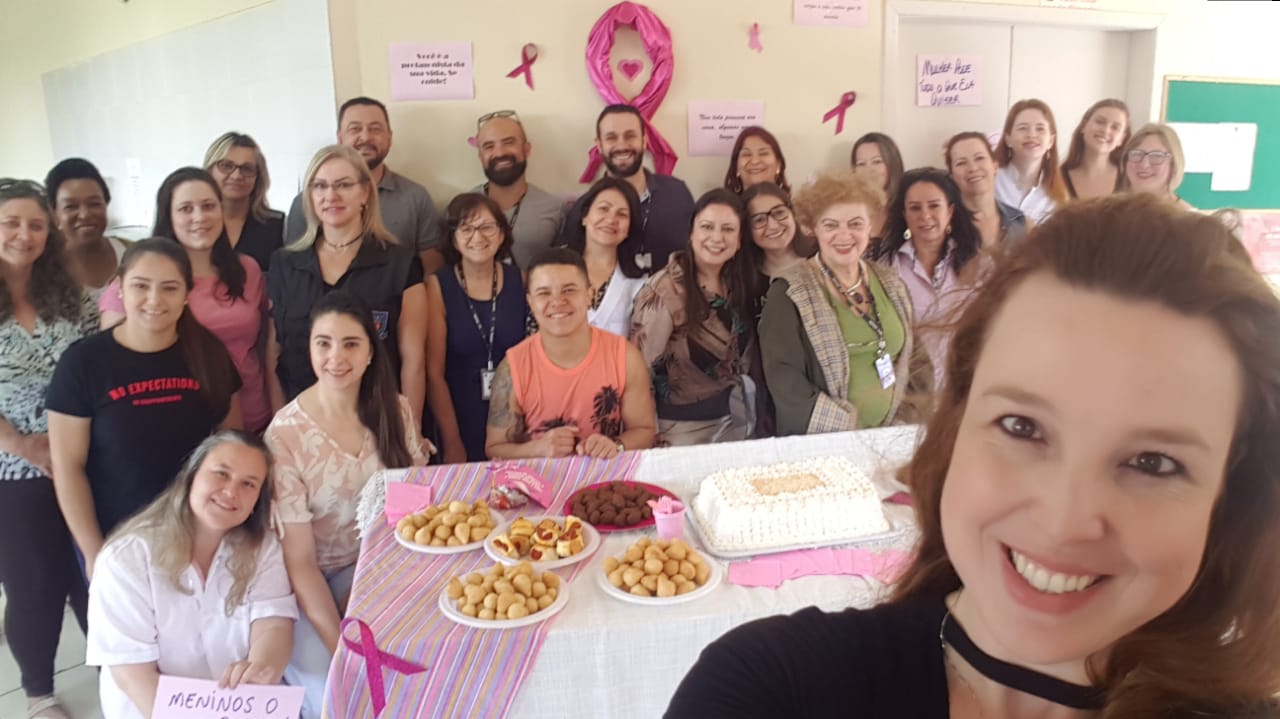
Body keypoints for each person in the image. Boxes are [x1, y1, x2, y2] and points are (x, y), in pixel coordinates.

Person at [666, 194, 1280, 719]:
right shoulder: (771, 691)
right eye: (1023, 427)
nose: (1063, 521)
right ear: (956, 428)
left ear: (1234, 496)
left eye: (1153, 463)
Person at [265, 290, 428, 719]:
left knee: (425, 662)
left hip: (380, 567)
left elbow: (412, 506)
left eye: (350, 343)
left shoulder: (396, 410)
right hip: (310, 584)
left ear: (371, 352)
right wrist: (344, 646)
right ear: (310, 348)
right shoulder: (285, 434)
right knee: (337, 691)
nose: (336, 357)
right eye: (324, 343)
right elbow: (300, 563)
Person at [47, 239, 242, 579]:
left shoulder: (209, 354)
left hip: (198, 535)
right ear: (119, 288)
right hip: (116, 537)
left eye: (169, 288)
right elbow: (68, 468)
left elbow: (233, 446)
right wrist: (94, 552)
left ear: (187, 293)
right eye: (140, 286)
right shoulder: (83, 363)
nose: (154, 299)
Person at [86, 431, 296, 719]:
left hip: (237, 709)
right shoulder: (125, 560)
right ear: (190, 477)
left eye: (248, 484)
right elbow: (134, 677)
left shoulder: (263, 547)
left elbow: (274, 624)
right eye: (221, 474)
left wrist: (261, 669)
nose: (231, 491)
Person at [0, 178, 96, 719]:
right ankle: (38, 692)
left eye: (35, 224)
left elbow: (96, 364)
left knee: (93, 572)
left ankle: (113, 669)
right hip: (11, 470)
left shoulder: (71, 295)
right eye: (11, 222)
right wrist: (21, 444)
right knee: (33, 584)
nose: (24, 234)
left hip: (81, 459)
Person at [100, 167, 273, 432]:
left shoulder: (247, 270)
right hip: (180, 424)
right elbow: (118, 366)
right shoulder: (140, 282)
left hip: (254, 417)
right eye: (185, 209)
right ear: (169, 216)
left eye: (208, 206)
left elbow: (266, 344)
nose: (199, 217)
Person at [759, 172, 931, 436]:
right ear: (813, 228)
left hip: (893, 436)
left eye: (855, 223)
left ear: (870, 227)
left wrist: (905, 421)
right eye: (830, 225)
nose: (844, 235)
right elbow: (784, 380)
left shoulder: (891, 283)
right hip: (826, 441)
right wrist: (851, 433)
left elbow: (917, 360)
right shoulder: (787, 292)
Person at [267, 144, 427, 426]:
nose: (331, 195)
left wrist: (408, 432)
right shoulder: (284, 264)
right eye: (320, 186)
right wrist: (281, 427)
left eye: (343, 185)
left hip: (377, 423)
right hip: (302, 425)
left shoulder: (400, 263)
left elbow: (412, 362)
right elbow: (272, 356)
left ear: (365, 192)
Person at [486, 249, 656, 459]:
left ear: (589, 295)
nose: (557, 301)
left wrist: (616, 445)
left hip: (608, 473)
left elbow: (644, 431)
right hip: (539, 477)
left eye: (569, 290)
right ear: (530, 301)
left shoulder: (625, 357)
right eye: (544, 293)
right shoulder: (512, 368)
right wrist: (538, 449)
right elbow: (495, 448)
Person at [629, 190, 762, 445]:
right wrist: (646, 432)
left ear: (739, 240)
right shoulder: (664, 290)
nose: (717, 238)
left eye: (728, 229)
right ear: (691, 233)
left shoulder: (737, 281)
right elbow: (639, 368)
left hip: (733, 416)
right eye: (707, 227)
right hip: (678, 428)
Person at [285, 97, 444, 274]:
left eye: (375, 129)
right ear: (340, 137)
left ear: (389, 137)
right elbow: (292, 269)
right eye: (355, 129)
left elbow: (432, 271)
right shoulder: (308, 202)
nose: (366, 137)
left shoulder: (415, 197)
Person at [425, 194, 528, 464]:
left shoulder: (521, 280)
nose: (477, 237)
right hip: (458, 413)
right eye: (466, 229)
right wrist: (452, 441)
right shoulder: (437, 286)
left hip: (514, 418)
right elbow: (434, 373)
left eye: (486, 227)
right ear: (453, 239)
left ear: (502, 234)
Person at [869, 168, 985, 389]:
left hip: (968, 386)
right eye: (915, 208)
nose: (925, 216)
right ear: (904, 214)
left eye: (934, 206)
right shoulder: (885, 268)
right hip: (912, 390)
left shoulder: (979, 264)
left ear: (950, 211)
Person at [561, 104, 695, 274]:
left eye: (630, 136)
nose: (622, 145)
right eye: (611, 137)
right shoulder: (584, 209)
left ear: (644, 141)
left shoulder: (678, 193)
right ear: (599, 145)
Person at [471, 110, 566, 270]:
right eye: (489, 146)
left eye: (509, 142)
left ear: (527, 149)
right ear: (480, 157)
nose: (500, 153)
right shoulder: (462, 209)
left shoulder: (554, 209)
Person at [561, 178, 647, 337]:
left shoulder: (642, 281)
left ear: (630, 228)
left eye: (622, 214)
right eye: (603, 209)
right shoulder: (553, 265)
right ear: (585, 217)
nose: (611, 220)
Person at [44, 158, 129, 300]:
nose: (85, 215)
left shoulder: (133, 254)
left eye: (94, 204)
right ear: (54, 214)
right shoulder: (42, 271)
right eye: (71, 206)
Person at [204, 131, 285, 272]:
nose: (236, 175)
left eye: (246, 169)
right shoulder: (194, 222)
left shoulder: (279, 227)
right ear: (209, 171)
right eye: (226, 166)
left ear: (258, 177)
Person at [945, 131, 1028, 249]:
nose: (973, 168)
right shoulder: (944, 224)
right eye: (961, 163)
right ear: (952, 176)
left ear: (995, 166)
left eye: (979, 158)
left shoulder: (1020, 222)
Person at [994, 99, 1069, 224]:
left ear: (1051, 141)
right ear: (1008, 139)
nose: (1031, 135)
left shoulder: (1059, 193)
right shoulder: (992, 179)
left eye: (1040, 129)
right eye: (1023, 128)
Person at [1060, 99, 1130, 201]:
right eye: (1100, 122)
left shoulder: (1129, 179)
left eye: (1115, 127)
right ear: (1083, 126)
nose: (1106, 130)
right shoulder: (1057, 177)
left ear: (1121, 139)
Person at [742, 182, 808, 279]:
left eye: (779, 212)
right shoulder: (744, 278)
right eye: (759, 220)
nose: (773, 226)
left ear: (792, 212)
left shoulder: (822, 253)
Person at [1121, 123, 1192, 208]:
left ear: (1174, 164)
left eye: (1156, 156)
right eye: (1137, 154)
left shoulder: (1185, 215)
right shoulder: (1111, 210)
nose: (1144, 165)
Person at [851, 132, 905, 238]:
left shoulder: (906, 206)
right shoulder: (848, 208)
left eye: (877, 162)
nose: (868, 170)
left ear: (892, 164)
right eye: (861, 164)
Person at [724, 127, 791, 195]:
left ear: (778, 164)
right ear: (736, 166)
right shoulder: (721, 201)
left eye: (763, 153)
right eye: (747, 154)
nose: (754, 161)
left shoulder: (794, 201)